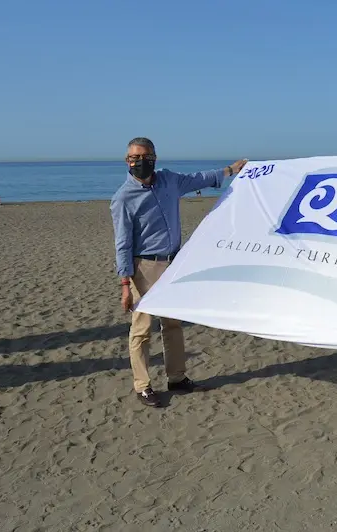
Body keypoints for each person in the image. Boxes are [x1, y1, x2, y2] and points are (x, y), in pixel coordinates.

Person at [110, 137, 247, 407]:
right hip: (144, 267)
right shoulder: (123, 199)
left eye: (144, 157)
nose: (138, 162)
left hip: (174, 263)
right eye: (133, 158)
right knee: (142, 330)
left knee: (172, 324)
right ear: (127, 161)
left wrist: (230, 171)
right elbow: (122, 243)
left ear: (154, 158)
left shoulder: (169, 181)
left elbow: (198, 179)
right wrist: (125, 283)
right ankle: (143, 386)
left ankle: (177, 377)